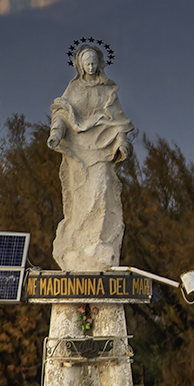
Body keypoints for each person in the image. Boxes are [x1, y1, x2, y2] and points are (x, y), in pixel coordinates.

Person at [47, 42, 135, 271]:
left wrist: (122, 143)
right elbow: (62, 113)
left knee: (103, 190)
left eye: (94, 62)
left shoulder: (109, 91)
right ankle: (78, 245)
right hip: (79, 151)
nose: (91, 66)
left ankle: (98, 244)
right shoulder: (74, 89)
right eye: (87, 63)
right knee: (81, 199)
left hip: (102, 148)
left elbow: (118, 123)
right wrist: (56, 134)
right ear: (80, 66)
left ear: (100, 64)